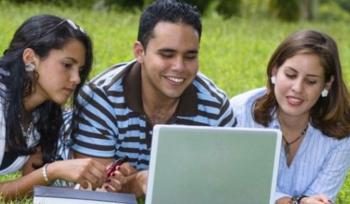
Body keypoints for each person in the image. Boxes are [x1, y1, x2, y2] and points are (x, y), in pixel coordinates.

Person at [71, 0, 236, 197]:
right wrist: (138, 183)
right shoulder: (101, 98)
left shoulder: (215, 106)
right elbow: (93, 189)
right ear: (140, 52)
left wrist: (133, 181)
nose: (179, 67)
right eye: (167, 54)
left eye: (190, 56)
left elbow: (226, 183)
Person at [231, 29, 350, 204]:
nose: (297, 88)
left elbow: (320, 198)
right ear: (274, 71)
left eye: (311, 81)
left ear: (327, 84)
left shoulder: (342, 130)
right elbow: (234, 186)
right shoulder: (240, 112)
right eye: (290, 75)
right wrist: (292, 201)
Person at [0, 14, 107, 201]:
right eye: (67, 65)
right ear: (30, 58)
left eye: (80, 70)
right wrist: (53, 170)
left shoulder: (43, 112)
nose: (76, 79)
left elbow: (28, 185)